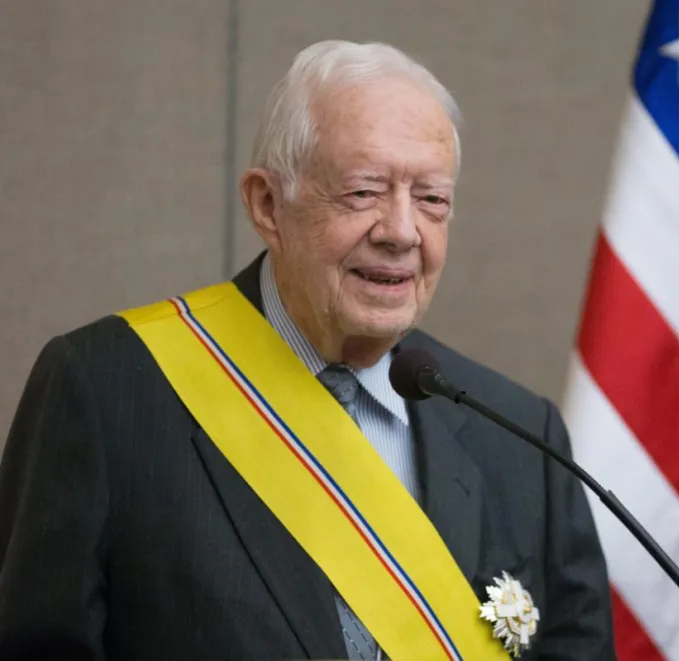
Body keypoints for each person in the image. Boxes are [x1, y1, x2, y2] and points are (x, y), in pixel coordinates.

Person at [0, 40, 615, 661]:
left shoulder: (518, 438)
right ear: (268, 204)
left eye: (431, 199)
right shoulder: (106, 391)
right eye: (364, 192)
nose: (402, 232)